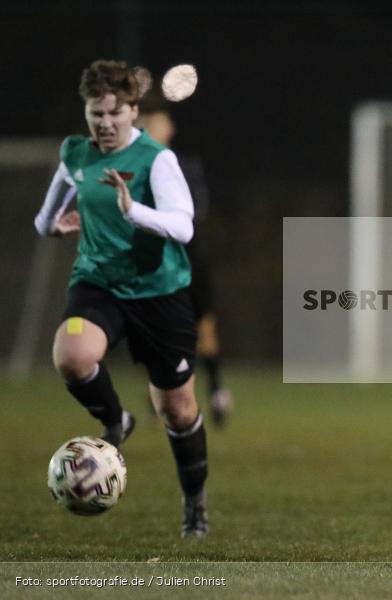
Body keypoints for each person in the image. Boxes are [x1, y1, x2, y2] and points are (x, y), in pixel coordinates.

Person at [34, 60, 210, 536]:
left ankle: (194, 501)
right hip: (98, 284)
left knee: (177, 410)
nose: (105, 123)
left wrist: (134, 211)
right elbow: (47, 215)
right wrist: (52, 225)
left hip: (160, 293)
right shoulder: (75, 152)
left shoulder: (156, 160)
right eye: (96, 113)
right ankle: (116, 421)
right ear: (87, 111)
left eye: (115, 112)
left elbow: (183, 224)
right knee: (72, 354)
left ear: (133, 110)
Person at [137, 91, 233, 427]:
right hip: (154, 264)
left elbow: (192, 213)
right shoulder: (135, 165)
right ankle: (165, 391)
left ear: (169, 127)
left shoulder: (182, 165)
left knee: (204, 328)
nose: (151, 128)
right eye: (145, 123)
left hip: (189, 260)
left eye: (156, 122)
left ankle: (217, 390)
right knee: (160, 331)